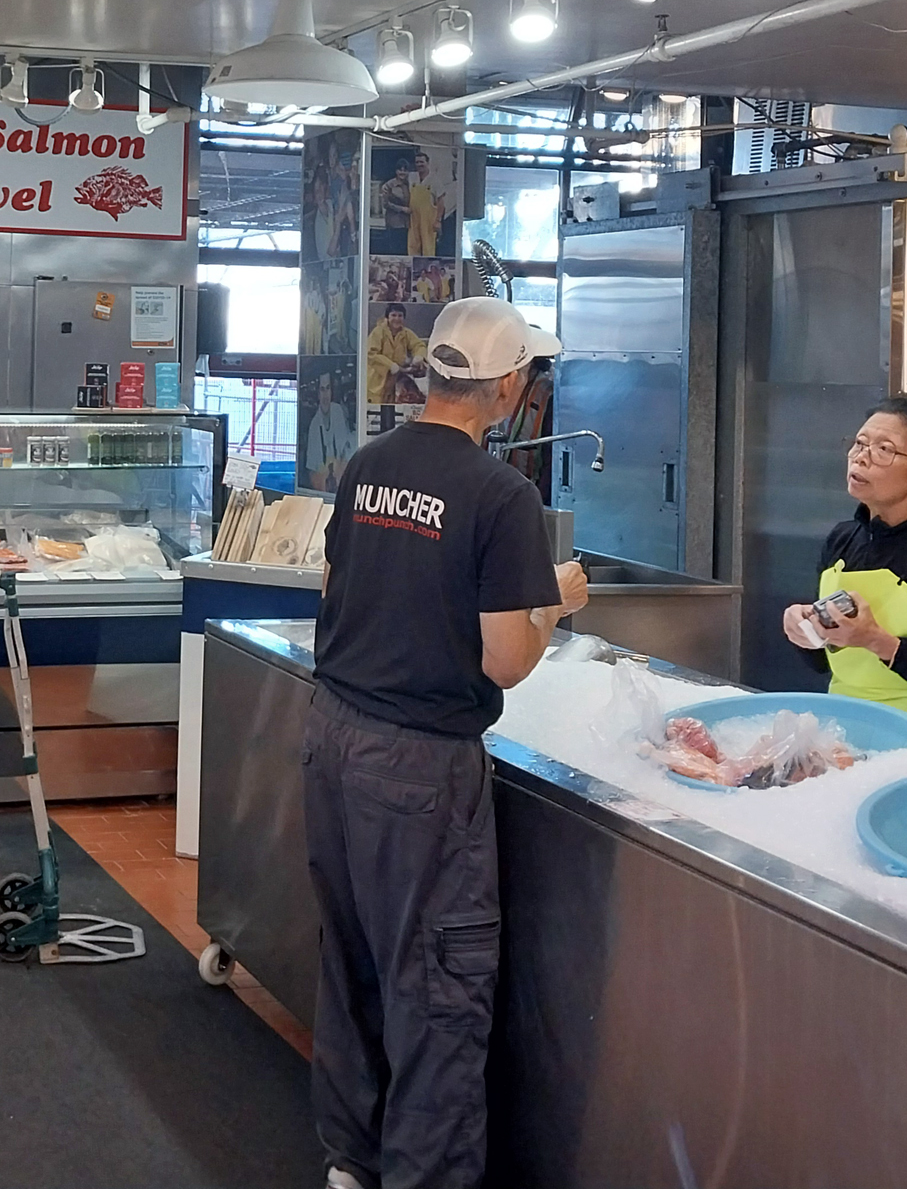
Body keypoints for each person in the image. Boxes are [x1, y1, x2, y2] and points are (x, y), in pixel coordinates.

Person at [305, 298, 591, 1189]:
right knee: (435, 984)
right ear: (507, 388)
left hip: (334, 736)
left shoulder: (368, 465)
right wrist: (553, 605)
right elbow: (505, 660)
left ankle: (353, 1158)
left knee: (353, 959)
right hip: (421, 766)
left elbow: (334, 590)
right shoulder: (500, 494)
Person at [782, 398, 907, 739]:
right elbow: (822, 663)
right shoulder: (841, 540)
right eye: (860, 443)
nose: (861, 457)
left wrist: (879, 642)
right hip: (846, 735)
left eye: (884, 449)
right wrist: (803, 632)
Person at [303, 369, 358, 492]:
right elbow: (312, 471)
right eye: (322, 389)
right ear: (318, 393)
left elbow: (347, 448)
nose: (325, 395)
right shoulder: (314, 427)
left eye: (328, 388)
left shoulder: (339, 411)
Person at [365, 304, 427, 404]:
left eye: (400, 315)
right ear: (387, 317)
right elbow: (371, 354)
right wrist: (390, 365)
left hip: (396, 383)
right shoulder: (377, 332)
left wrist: (419, 356)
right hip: (377, 382)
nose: (397, 319)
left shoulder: (406, 333)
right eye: (393, 315)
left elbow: (418, 345)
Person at [406, 151, 445, 257]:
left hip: (428, 220)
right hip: (413, 218)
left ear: (427, 163)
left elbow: (441, 202)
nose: (419, 164)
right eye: (417, 162)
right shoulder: (412, 177)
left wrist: (438, 221)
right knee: (412, 246)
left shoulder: (435, 180)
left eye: (422, 162)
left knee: (428, 248)